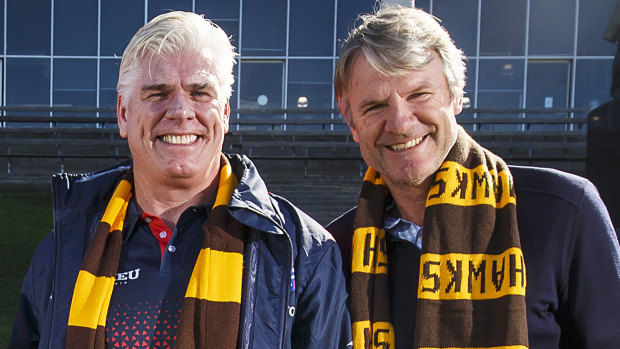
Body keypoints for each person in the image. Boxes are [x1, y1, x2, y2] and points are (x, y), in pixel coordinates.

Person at [9, 11, 351, 349]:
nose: (181, 111)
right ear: (124, 114)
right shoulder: (61, 251)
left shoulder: (303, 252)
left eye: (200, 93)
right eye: (157, 93)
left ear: (226, 112)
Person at [328, 6, 620, 349]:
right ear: (351, 122)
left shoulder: (563, 213)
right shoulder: (337, 251)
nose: (400, 123)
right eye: (374, 106)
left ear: (454, 96)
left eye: (418, 95)